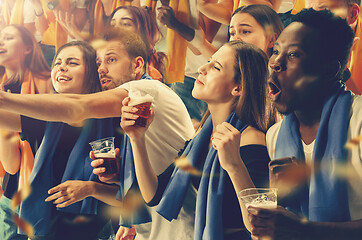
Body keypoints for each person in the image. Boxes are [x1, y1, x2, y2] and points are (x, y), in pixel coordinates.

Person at [0, 29, 194, 239]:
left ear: (138, 65)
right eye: (100, 62)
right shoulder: (54, 116)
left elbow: (79, 107)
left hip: (169, 223)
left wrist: (91, 188)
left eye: (110, 60)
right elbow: (134, 190)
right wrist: (115, 180)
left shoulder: (138, 99)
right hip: (151, 226)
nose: (102, 68)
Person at [119, 40, 274, 239]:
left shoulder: (251, 139)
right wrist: (137, 137)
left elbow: (261, 226)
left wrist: (234, 166)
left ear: (238, 88)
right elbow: (154, 194)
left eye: (215, 67)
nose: (202, 68)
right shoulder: (201, 136)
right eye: (209, 61)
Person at [247, 9, 362, 240]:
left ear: (329, 70)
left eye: (293, 55)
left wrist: (305, 230)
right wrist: (279, 198)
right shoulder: (276, 135)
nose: (275, 63)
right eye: (276, 51)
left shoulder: (358, 120)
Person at [0, 40, 115, 239]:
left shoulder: (111, 123)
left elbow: (127, 196)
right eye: (58, 62)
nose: (61, 66)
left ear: (91, 76)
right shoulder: (41, 118)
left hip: (94, 231)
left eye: (72, 62)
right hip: (45, 229)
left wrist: (89, 189)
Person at [0, 24, 51, 240]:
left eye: (9, 37)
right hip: (8, 193)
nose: (1, 42)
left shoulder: (48, 82)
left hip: (41, 193)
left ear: (28, 49)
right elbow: (10, 165)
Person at [108, 6, 167, 82]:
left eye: (126, 24)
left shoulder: (157, 68)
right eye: (113, 25)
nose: (116, 30)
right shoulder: (102, 62)